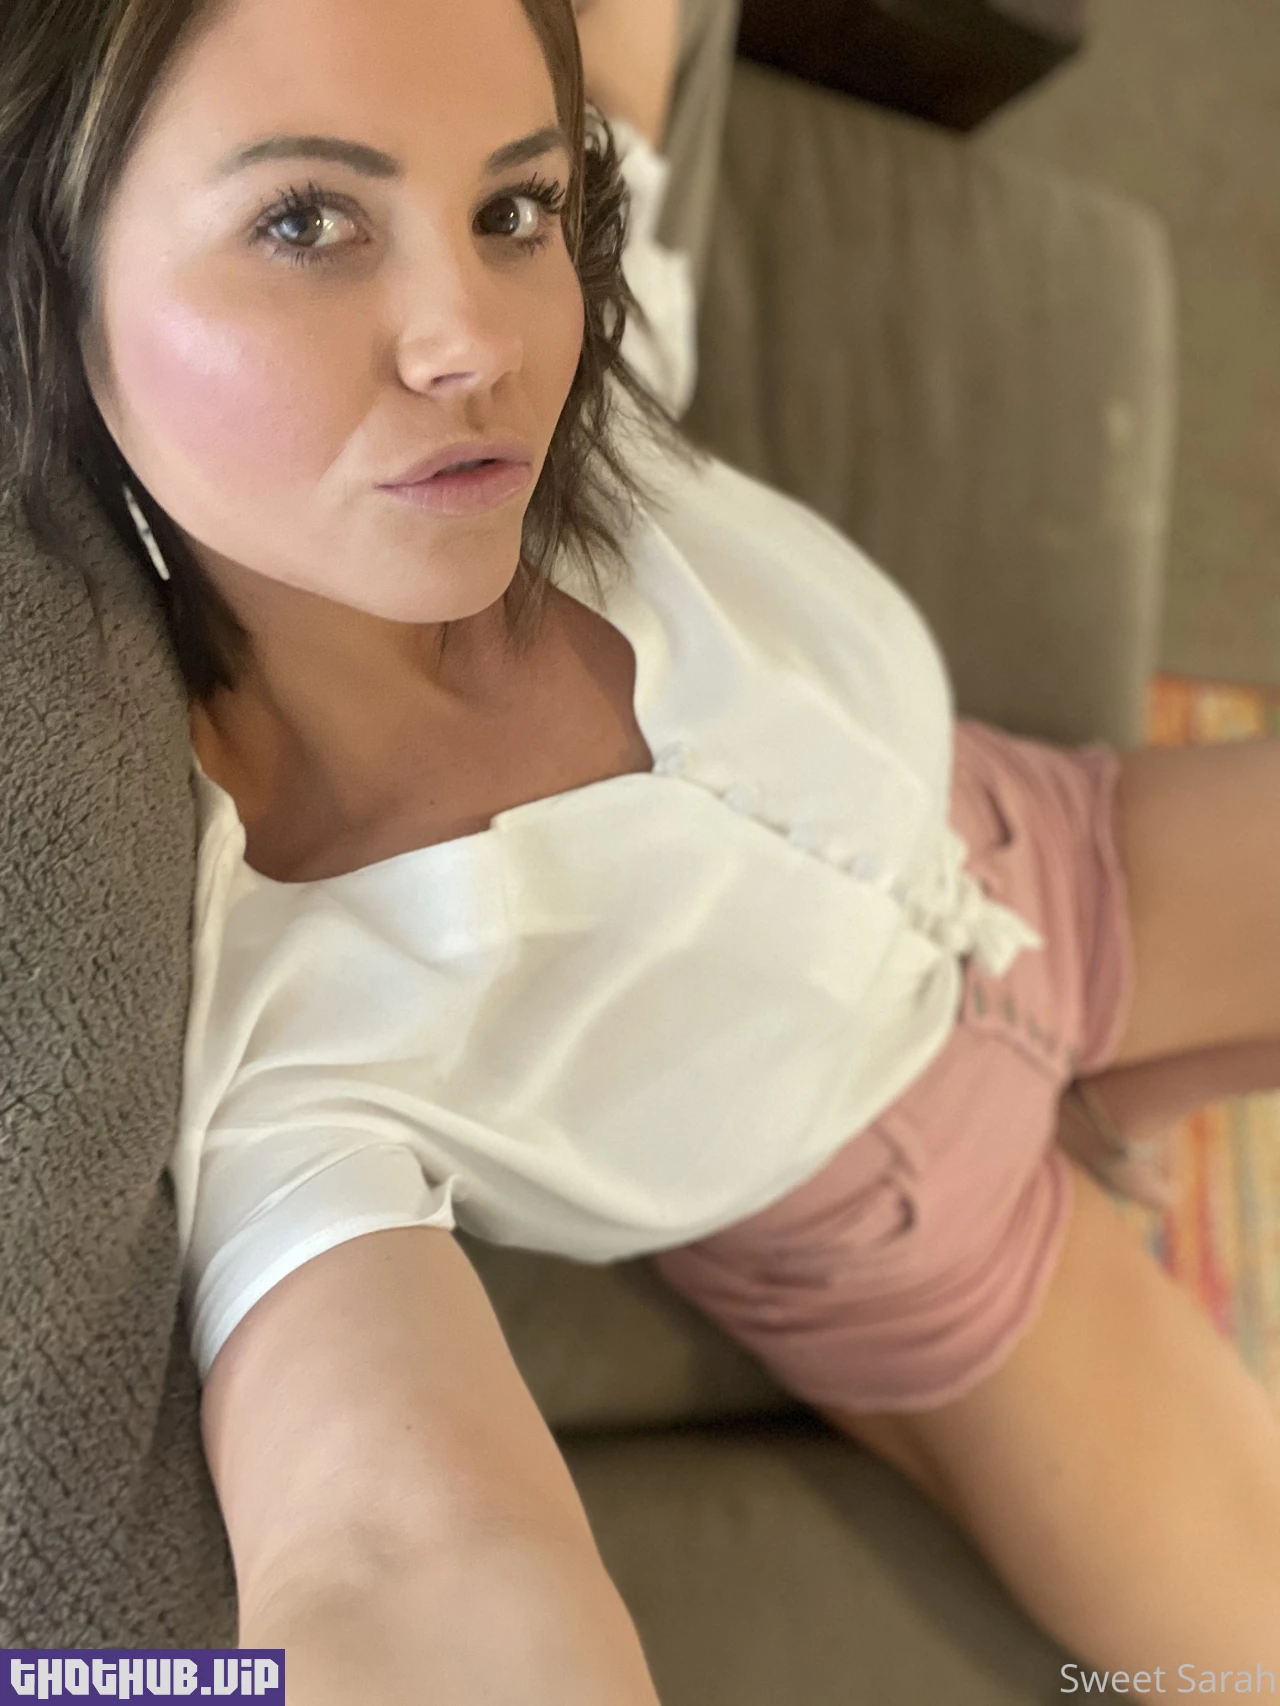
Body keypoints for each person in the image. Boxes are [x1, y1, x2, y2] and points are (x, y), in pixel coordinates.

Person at [3, 1, 1280, 1702]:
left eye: (512, 208)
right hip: (926, 1238)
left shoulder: (592, 404)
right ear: (55, 276)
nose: (478, 340)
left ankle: (1127, 1090)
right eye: (305, 220)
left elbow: (608, 61)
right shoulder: (286, 1051)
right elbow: (398, 1555)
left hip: (1053, 856)